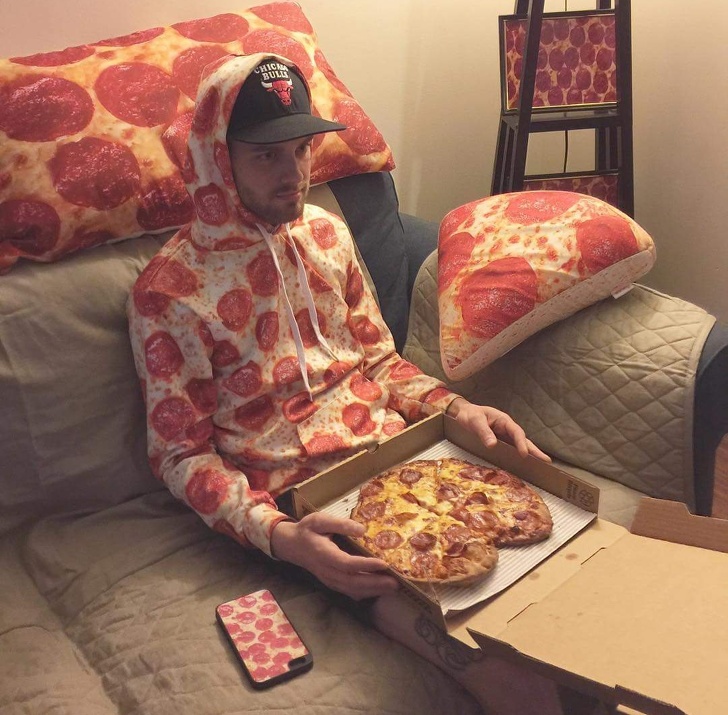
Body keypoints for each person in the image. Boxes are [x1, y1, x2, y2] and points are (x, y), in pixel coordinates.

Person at [128, 53, 600, 715]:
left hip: (404, 459)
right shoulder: (169, 294)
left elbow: (380, 362)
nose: (293, 173)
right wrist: (278, 534)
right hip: (300, 501)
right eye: (266, 156)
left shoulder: (327, 234)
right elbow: (181, 455)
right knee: (517, 685)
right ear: (217, 159)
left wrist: (456, 407)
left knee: (573, 579)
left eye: (301, 150)